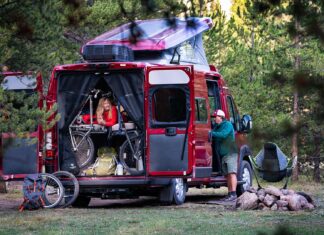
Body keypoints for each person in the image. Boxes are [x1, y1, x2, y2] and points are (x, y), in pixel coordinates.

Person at [211, 109, 238, 202]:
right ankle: (230, 194)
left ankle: (234, 194)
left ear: (221, 117)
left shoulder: (228, 125)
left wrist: (211, 133)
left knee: (231, 173)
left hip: (230, 153)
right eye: (214, 117)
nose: (215, 119)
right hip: (224, 154)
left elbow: (223, 135)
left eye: (216, 117)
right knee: (227, 175)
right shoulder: (217, 127)